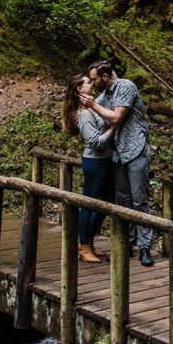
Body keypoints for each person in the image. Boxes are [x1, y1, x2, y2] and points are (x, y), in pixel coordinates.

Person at [79, 60, 154, 267]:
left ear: (105, 77)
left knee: (139, 199)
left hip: (135, 150)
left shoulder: (126, 86)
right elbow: (92, 111)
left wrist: (93, 104)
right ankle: (128, 243)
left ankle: (145, 247)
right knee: (123, 201)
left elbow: (117, 116)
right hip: (117, 154)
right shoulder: (106, 95)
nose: (93, 84)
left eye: (95, 80)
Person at [60, 74, 115, 264]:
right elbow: (96, 141)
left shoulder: (90, 107)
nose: (92, 84)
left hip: (105, 161)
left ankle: (88, 243)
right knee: (88, 204)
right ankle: (84, 247)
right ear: (79, 89)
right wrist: (113, 127)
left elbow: (101, 99)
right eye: (88, 83)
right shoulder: (83, 115)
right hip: (94, 162)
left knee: (107, 201)